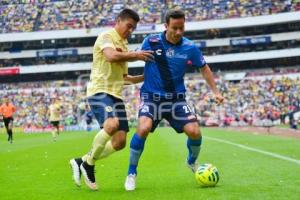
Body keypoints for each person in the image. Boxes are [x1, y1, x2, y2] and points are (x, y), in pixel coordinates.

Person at [124, 9, 224, 191]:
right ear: (166, 26)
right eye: (175, 28)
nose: (179, 32)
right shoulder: (151, 41)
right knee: (143, 128)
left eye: (182, 27)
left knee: (195, 132)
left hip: (177, 100)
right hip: (151, 97)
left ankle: (191, 162)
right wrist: (132, 77)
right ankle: (132, 172)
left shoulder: (190, 47)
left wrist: (215, 91)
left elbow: (204, 68)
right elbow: (141, 61)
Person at [69, 8, 154, 190]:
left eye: (133, 28)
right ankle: (89, 164)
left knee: (120, 142)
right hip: (99, 91)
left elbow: (125, 79)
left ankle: (81, 161)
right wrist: (136, 55)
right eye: (128, 26)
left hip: (115, 95)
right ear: (118, 21)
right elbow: (110, 56)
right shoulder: (106, 36)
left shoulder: (123, 45)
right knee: (112, 124)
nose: (130, 31)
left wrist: (148, 76)